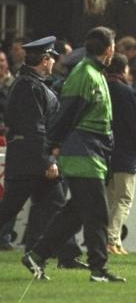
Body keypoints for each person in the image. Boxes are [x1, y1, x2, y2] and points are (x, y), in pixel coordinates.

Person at [23, 27, 125, 284]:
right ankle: (98, 269)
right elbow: (68, 113)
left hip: (91, 153)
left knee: (76, 213)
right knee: (98, 213)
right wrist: (53, 145)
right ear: (109, 49)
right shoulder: (86, 74)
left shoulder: (92, 72)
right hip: (83, 153)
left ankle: (37, 254)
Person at [0, 37, 84, 272]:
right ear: (45, 59)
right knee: (9, 209)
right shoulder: (30, 86)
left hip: (29, 160)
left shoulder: (31, 84)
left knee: (56, 207)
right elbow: (35, 129)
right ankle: (66, 255)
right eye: (52, 58)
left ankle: (68, 255)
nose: (54, 62)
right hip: (31, 162)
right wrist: (48, 160)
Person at [104, 53, 136, 256]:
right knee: (123, 199)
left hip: (105, 154)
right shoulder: (127, 93)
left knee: (111, 199)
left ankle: (109, 240)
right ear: (125, 70)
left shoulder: (103, 89)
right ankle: (112, 239)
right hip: (126, 155)